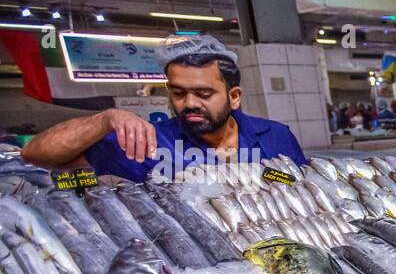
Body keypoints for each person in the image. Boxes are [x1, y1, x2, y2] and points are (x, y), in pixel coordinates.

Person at [22, 34, 306, 181]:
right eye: (179, 93)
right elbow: (37, 155)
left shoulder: (275, 136)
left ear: (233, 96)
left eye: (204, 93)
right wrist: (106, 119)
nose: (190, 103)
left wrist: (267, 175)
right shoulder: (145, 143)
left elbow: (299, 186)